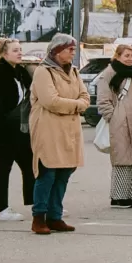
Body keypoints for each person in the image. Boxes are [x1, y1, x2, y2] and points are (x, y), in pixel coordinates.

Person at [30, 34, 92, 235]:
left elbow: (85, 96)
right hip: (48, 128)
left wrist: (78, 104)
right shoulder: (43, 72)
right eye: (70, 50)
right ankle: (39, 217)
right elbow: (50, 101)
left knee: (64, 172)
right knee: (48, 172)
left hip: (69, 129)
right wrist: (77, 106)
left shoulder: (73, 71)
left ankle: (55, 216)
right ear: (57, 51)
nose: (73, 53)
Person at [0, 38, 36, 220]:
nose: (20, 53)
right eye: (15, 50)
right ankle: (2, 208)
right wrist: (2, 125)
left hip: (20, 130)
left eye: (20, 49)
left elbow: (32, 92)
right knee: (3, 168)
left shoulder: (20, 72)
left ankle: (38, 203)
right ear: (4, 54)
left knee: (29, 166)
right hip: (1, 132)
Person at [96, 40, 132, 209]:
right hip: (120, 121)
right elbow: (103, 100)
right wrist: (113, 117)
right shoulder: (109, 74)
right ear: (117, 56)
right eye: (126, 55)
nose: (130, 59)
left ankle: (129, 194)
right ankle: (118, 196)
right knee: (122, 158)